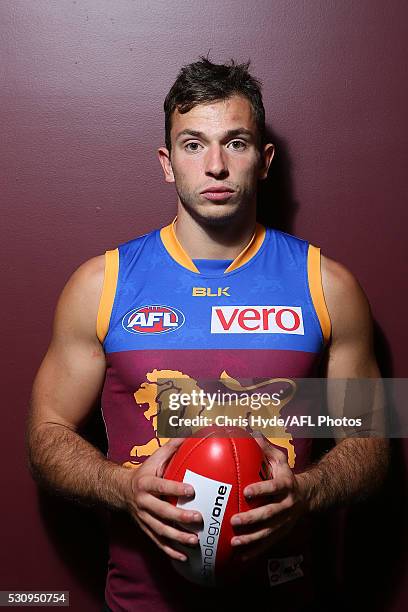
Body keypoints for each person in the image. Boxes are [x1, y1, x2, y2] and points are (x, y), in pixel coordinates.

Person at [27, 57, 389, 612]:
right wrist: (122, 489)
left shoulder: (327, 285)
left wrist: (306, 493)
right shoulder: (102, 283)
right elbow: (46, 434)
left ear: (264, 161)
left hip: (284, 595)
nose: (215, 166)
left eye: (236, 143)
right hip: (144, 600)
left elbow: (370, 443)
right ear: (167, 163)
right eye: (193, 145)